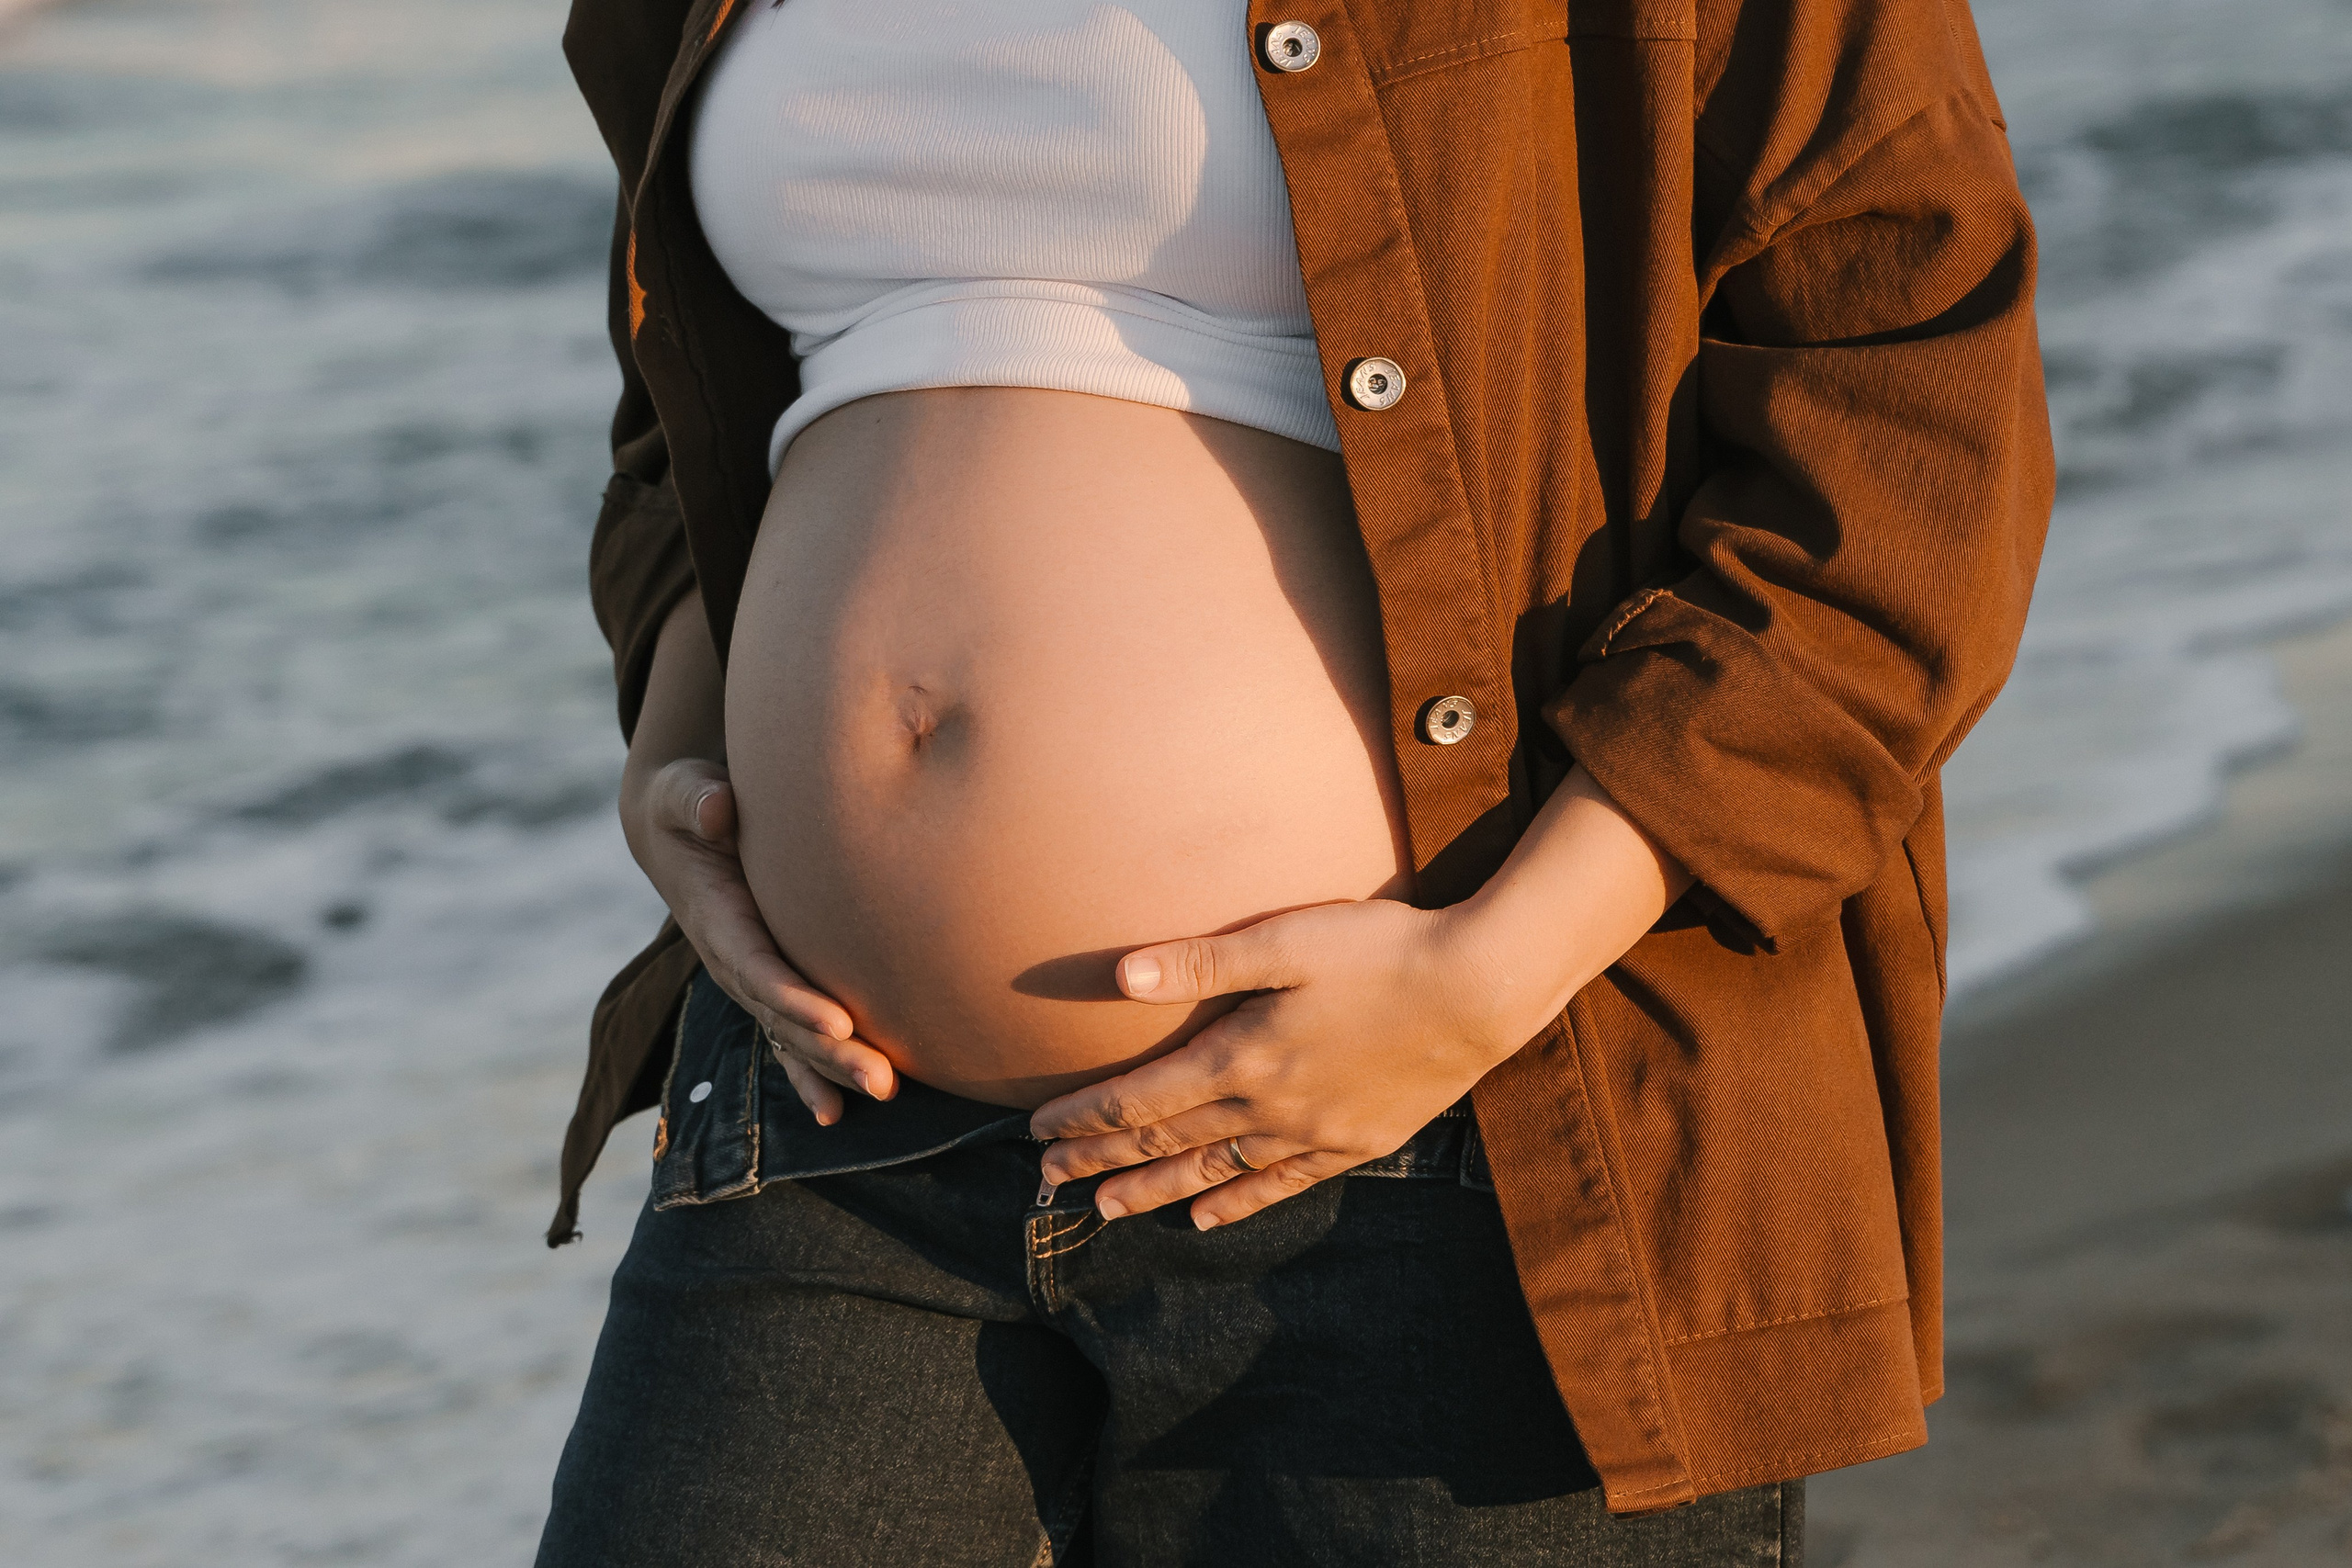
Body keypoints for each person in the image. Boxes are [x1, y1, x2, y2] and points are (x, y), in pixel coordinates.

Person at [536, 0, 2052, 1562]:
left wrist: (1489, 968)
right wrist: (676, 747)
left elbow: (1907, 419)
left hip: (1445, 1117)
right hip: (823, 1105)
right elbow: (696, 407)